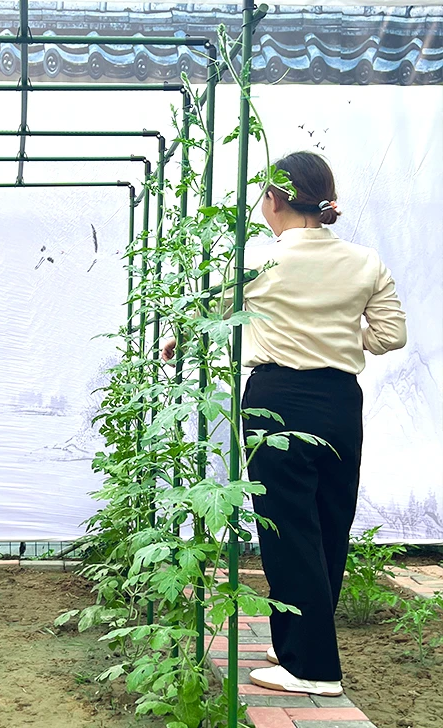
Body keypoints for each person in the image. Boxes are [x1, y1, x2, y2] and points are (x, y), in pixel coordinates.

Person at [161, 151, 406, 696]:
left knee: (288, 529)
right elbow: (391, 336)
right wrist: (339, 337)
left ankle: (313, 669)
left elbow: (208, 316)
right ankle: (297, 638)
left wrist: (176, 340)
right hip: (341, 401)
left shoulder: (258, 263)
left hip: (278, 398)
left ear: (272, 200)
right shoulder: (366, 261)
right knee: (328, 524)